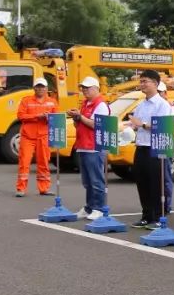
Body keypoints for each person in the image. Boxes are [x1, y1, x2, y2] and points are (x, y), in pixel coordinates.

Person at [128, 70, 174, 229]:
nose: (142, 84)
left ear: (155, 83)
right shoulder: (141, 105)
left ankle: (158, 217)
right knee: (142, 182)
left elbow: (162, 127)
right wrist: (131, 126)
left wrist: (141, 124)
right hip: (141, 146)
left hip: (156, 148)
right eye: (140, 81)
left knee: (157, 184)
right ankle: (146, 216)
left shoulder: (162, 105)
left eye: (145, 81)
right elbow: (136, 124)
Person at [67, 76, 109, 219]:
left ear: (96, 88)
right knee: (87, 181)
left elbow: (97, 124)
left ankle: (99, 208)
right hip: (83, 145)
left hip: (94, 146)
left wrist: (80, 117)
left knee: (96, 180)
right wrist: (76, 118)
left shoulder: (100, 104)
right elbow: (79, 125)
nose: (84, 90)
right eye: (83, 88)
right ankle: (89, 207)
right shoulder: (85, 103)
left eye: (87, 88)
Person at [15, 77, 60, 197]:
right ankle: (21, 188)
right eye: (38, 86)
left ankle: (44, 188)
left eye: (42, 87)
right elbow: (20, 116)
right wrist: (37, 116)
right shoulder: (26, 101)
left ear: (46, 88)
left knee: (44, 162)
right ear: (34, 88)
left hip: (43, 136)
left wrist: (49, 118)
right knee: (24, 162)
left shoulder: (52, 102)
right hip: (27, 137)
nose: (40, 89)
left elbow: (56, 119)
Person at [157, 81, 174, 216]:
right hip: (152, 145)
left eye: (160, 92)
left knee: (165, 177)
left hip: (165, 144)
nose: (158, 94)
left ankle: (167, 205)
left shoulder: (168, 107)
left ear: (165, 93)